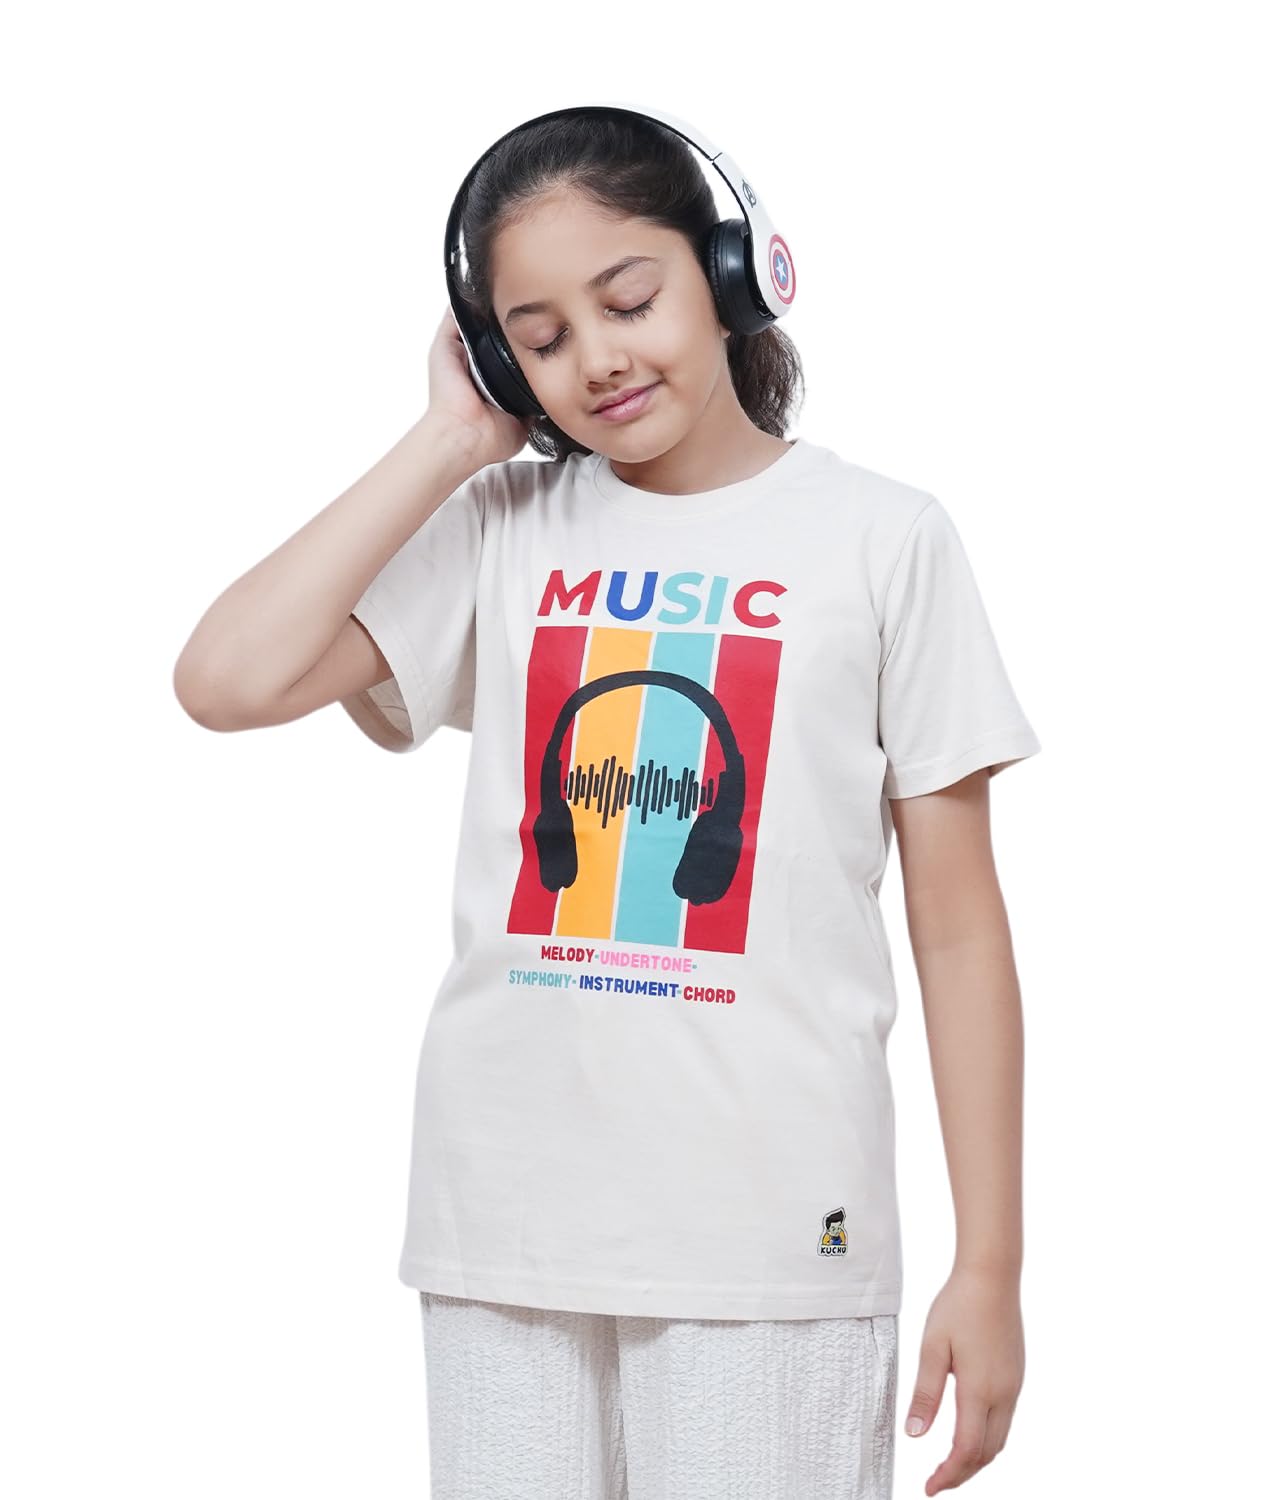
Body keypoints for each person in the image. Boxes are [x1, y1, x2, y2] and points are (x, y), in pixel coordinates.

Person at [174, 106, 1041, 1500]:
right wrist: (449, 442)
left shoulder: (886, 539)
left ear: (729, 270)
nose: (598, 358)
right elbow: (226, 678)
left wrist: (988, 1264)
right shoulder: (501, 529)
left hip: (769, 1236)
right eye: (541, 336)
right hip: (504, 1225)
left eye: (628, 300)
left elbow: (957, 924)